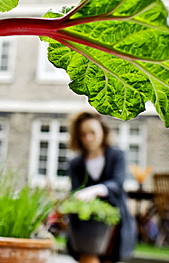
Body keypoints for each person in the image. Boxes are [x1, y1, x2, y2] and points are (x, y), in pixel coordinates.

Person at [67, 111, 136, 263]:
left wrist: (95, 190)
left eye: (92, 132)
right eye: (83, 134)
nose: (88, 138)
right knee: (88, 256)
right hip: (86, 225)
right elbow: (75, 192)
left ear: (103, 131)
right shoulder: (76, 163)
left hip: (114, 222)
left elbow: (117, 183)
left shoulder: (116, 155)